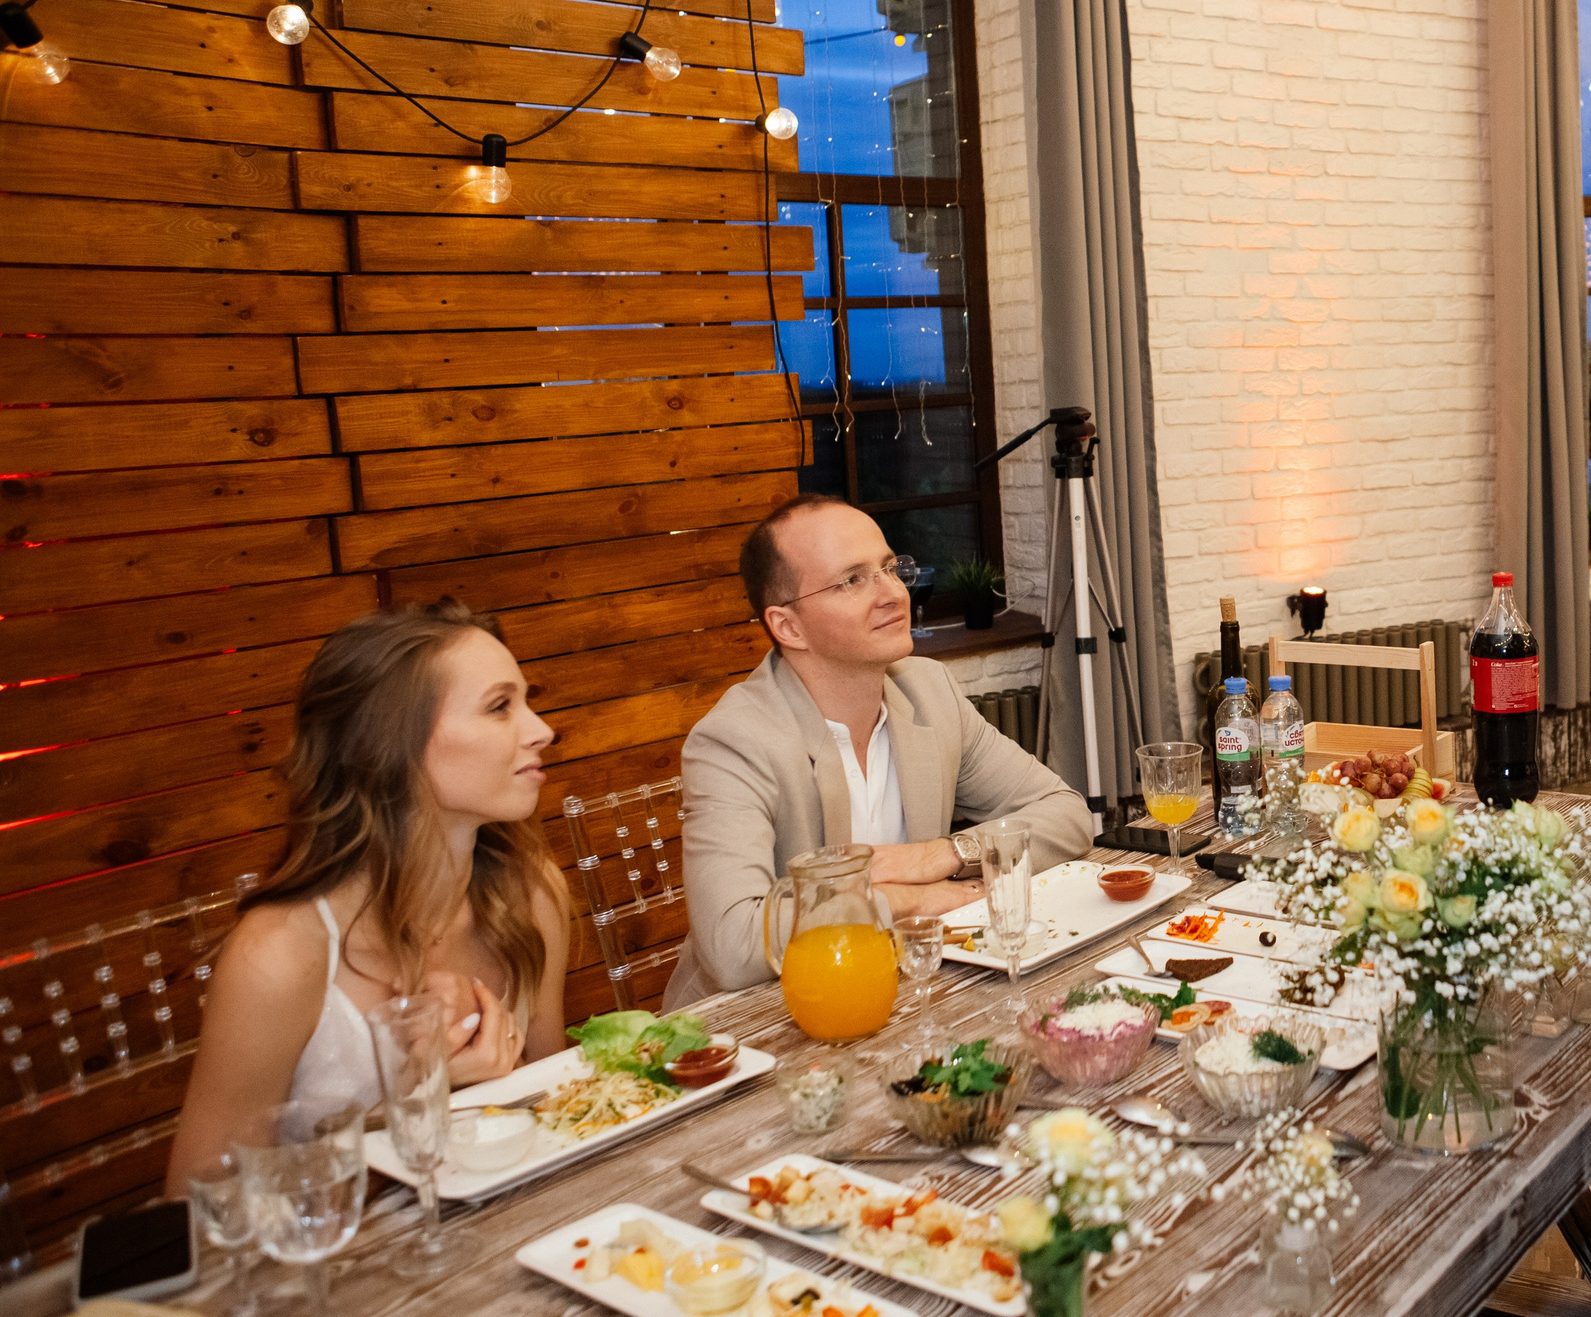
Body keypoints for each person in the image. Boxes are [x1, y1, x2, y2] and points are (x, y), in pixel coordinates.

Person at [166, 601, 568, 1191]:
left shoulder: (530, 892)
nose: (541, 730)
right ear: (392, 744)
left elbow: (564, 1110)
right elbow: (199, 1202)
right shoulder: (281, 955)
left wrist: (504, 1084)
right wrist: (417, 1105)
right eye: (500, 706)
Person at [663, 496, 1092, 1004]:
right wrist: (913, 898)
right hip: (756, 1032)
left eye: (889, 569)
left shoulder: (930, 691)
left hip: (906, 992)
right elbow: (734, 945)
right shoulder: (734, 741)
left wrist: (943, 854)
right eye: (852, 580)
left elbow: (1069, 815)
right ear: (788, 627)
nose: (892, 593)